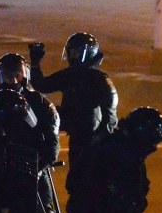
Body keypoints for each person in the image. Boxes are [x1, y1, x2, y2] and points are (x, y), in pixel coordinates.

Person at [0, 52, 64, 213]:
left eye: (17, 74)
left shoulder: (42, 104)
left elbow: (52, 145)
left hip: (35, 168)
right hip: (5, 171)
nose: (13, 81)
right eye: (8, 75)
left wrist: (38, 167)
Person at [28, 32, 118, 168]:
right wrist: (35, 62)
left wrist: (97, 140)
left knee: (89, 179)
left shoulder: (100, 80)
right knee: (75, 179)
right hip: (75, 135)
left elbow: (110, 117)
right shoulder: (70, 75)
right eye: (71, 52)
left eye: (76, 52)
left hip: (92, 138)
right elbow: (42, 85)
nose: (72, 56)